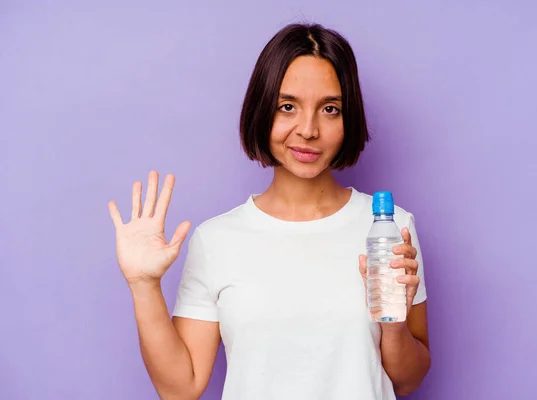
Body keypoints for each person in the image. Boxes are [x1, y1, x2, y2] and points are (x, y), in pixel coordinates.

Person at [108, 23, 430, 400]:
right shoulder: (217, 241)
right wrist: (143, 286)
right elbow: (181, 389)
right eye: (287, 106)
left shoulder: (389, 229)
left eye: (329, 109)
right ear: (262, 109)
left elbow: (408, 381)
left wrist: (392, 324)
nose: (308, 130)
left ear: (348, 118)